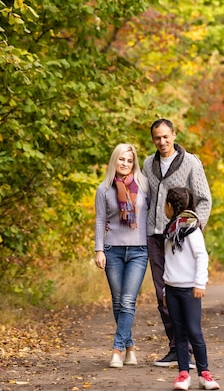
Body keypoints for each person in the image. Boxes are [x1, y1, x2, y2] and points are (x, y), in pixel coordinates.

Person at [143, 118, 212, 368]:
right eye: (157, 138)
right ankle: (176, 348)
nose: (162, 142)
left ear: (174, 135)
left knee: (185, 290)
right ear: (153, 140)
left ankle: (190, 350)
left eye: (165, 136)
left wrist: (191, 227)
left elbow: (204, 199)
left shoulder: (191, 162)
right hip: (155, 235)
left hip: (181, 237)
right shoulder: (148, 165)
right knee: (163, 294)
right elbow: (146, 199)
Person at [94, 143, 150, 368]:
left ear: (134, 163)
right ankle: (131, 347)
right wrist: (99, 249)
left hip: (139, 250)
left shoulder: (145, 185)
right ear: (114, 161)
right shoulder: (104, 189)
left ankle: (117, 350)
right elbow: (99, 220)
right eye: (121, 159)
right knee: (118, 302)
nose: (125, 164)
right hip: (112, 250)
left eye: (129, 160)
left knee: (128, 301)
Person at [163, 187, 220, 391]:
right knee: (179, 333)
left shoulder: (191, 229)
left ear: (170, 206)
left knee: (194, 332)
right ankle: (183, 374)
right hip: (171, 289)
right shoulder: (170, 229)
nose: (164, 208)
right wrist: (164, 292)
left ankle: (205, 374)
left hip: (190, 290)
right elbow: (169, 262)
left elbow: (201, 256)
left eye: (165, 204)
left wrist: (199, 283)